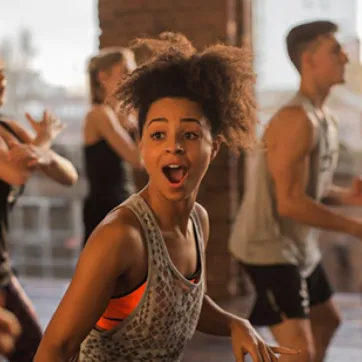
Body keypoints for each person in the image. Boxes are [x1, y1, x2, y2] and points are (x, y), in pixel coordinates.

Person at [34, 32, 298, 362]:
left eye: (189, 134)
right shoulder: (120, 238)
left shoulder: (198, 220)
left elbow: (180, 297)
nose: (173, 146)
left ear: (213, 148)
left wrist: (234, 323)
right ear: (142, 146)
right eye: (158, 135)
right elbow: (55, 349)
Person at [229, 20, 362, 362]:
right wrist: (355, 228)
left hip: (299, 247)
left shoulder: (322, 117)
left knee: (328, 322)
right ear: (308, 60)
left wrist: (344, 197)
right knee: (298, 352)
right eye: (335, 50)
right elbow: (290, 203)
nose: (346, 56)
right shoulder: (295, 119)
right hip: (268, 248)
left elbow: (306, 188)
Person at [0, 57, 78, 361]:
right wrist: (44, 140)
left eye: (3, 76)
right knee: (34, 348)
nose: (1, 81)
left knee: (33, 347)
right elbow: (16, 172)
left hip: (3, 263)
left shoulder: (8, 128)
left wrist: (45, 153)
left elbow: (68, 175)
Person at [82, 47, 142, 246]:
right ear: (103, 77)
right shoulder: (100, 114)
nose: (131, 77)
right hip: (105, 209)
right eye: (124, 71)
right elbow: (138, 159)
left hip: (124, 204)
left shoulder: (124, 116)